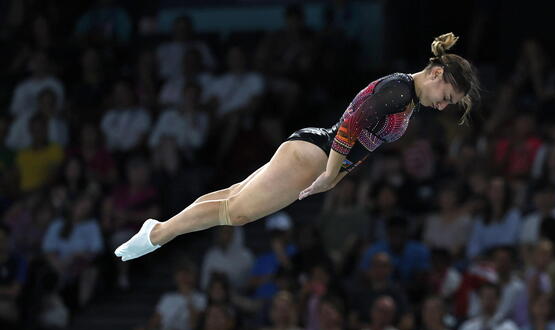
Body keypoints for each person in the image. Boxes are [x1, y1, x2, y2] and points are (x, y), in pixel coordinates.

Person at [115, 32, 480, 261]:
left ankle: (158, 230)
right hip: (315, 156)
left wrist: (337, 175)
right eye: (446, 96)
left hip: (313, 152)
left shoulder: (409, 97)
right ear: (435, 74)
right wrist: (329, 175)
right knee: (238, 213)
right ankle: (159, 233)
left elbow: (365, 141)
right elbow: (351, 126)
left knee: (233, 197)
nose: (443, 106)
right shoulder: (399, 89)